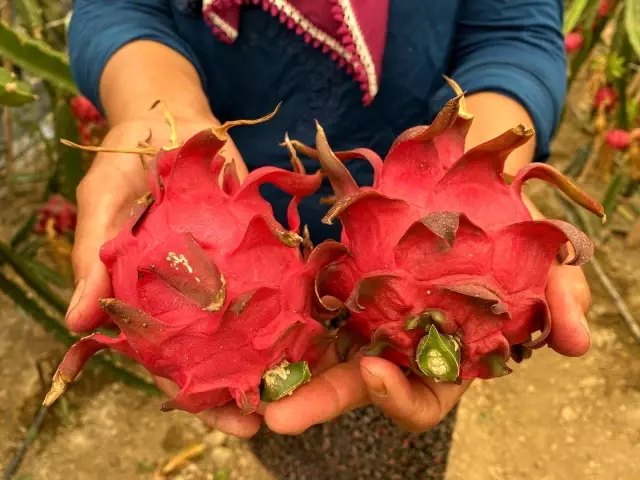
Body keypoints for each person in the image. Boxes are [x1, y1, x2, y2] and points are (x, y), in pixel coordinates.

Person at [64, 1, 592, 478]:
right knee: (286, 436)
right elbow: (117, 8)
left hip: (374, 331)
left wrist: (476, 165)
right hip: (264, 245)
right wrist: (163, 117)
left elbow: (514, 28)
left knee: (393, 451)